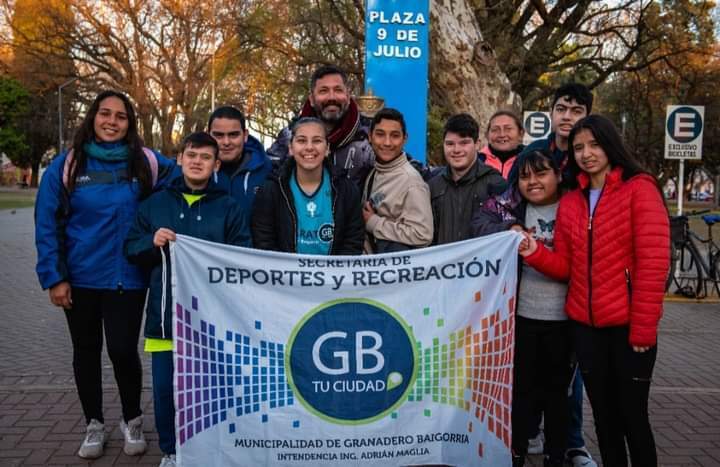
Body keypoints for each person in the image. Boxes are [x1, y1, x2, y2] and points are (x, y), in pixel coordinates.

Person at [519, 115, 669, 467]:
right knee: (604, 420)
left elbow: (653, 263)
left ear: (610, 144)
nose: (587, 153)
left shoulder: (639, 188)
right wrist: (534, 251)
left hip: (629, 329)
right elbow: (567, 268)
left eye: (594, 144)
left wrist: (644, 328)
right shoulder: (573, 200)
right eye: (579, 147)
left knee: (633, 418)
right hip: (585, 329)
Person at [35, 90, 176, 459]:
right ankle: (93, 424)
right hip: (78, 278)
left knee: (122, 351)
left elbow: (189, 176)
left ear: (130, 123)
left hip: (127, 278)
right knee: (85, 351)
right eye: (105, 114)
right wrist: (54, 276)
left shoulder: (147, 162)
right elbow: (46, 223)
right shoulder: (67, 166)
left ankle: (132, 419)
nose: (112, 121)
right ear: (93, 118)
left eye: (121, 116)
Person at [125, 132, 251, 467]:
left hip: (213, 322)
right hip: (165, 319)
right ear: (179, 158)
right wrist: (151, 241)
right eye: (191, 154)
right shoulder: (155, 204)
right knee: (167, 392)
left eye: (205, 157)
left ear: (216, 165)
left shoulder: (228, 207)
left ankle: (214, 448)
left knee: (212, 390)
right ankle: (171, 451)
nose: (197, 161)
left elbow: (243, 255)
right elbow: (131, 248)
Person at [472, 150, 572, 467]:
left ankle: (556, 457)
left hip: (564, 321)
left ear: (557, 175)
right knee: (521, 395)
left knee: (557, 398)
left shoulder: (574, 206)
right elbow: (479, 221)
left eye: (541, 173)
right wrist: (509, 228)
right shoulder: (513, 206)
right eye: (526, 176)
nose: (533, 182)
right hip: (521, 319)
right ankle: (515, 454)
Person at [252, 117, 364, 254]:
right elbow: (264, 242)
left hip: (333, 274)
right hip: (287, 274)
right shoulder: (272, 189)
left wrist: (331, 273)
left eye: (317, 141)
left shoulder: (346, 190)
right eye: (301, 141)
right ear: (291, 148)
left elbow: (353, 242)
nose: (309, 147)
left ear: (327, 148)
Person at [267, 65, 374, 184]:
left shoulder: (369, 135)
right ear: (312, 99)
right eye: (323, 91)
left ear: (348, 97)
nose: (332, 97)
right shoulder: (290, 136)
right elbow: (269, 176)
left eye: (338, 90)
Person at [362, 108, 433, 253]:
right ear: (370, 136)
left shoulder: (411, 181)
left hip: (394, 272)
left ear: (404, 139)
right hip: (372, 268)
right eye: (380, 135)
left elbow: (423, 234)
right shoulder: (374, 172)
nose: (387, 142)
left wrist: (374, 223)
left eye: (394, 136)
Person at [430, 113, 506, 245]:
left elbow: (505, 232)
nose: (456, 150)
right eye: (450, 144)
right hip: (442, 264)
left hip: (482, 263)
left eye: (464, 143)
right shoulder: (433, 185)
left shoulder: (495, 183)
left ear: (477, 144)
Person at [208, 105, 272, 217]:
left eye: (233, 135)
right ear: (208, 135)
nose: (226, 142)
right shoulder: (193, 169)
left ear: (245, 135)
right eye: (219, 135)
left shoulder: (268, 171)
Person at [478, 110, 525, 179]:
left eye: (508, 129)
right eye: (495, 130)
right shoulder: (477, 161)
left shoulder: (530, 159)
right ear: (487, 135)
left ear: (521, 134)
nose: (502, 134)